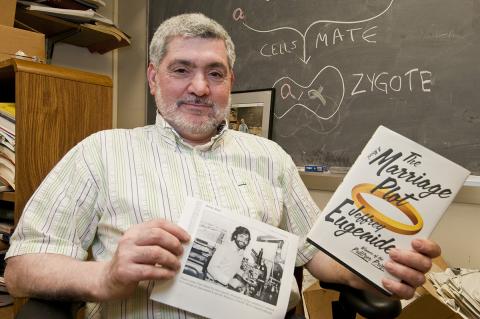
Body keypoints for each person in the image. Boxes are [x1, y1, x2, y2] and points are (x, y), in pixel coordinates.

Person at [4, 13, 440, 319]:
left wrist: (378, 267)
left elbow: (318, 256)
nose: (199, 87)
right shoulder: (99, 153)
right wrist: (106, 276)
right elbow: (20, 270)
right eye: (182, 70)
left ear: (231, 81)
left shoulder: (271, 158)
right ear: (154, 78)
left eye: (215, 73)